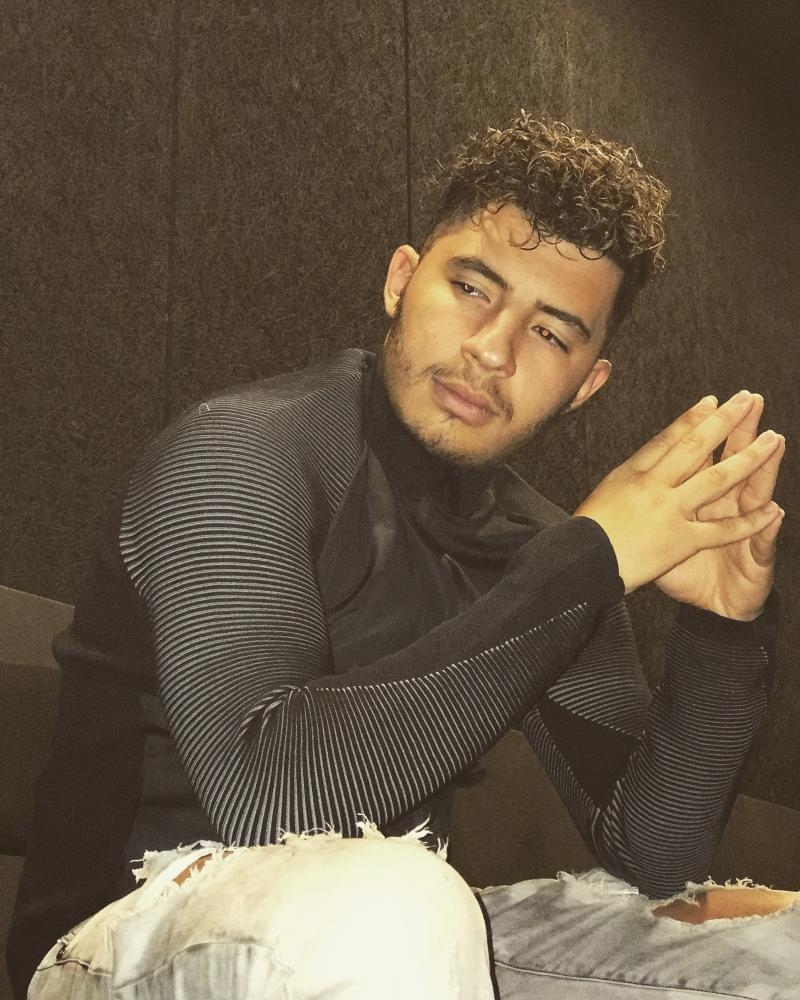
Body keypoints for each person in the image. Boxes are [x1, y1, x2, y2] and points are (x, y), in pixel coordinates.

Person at [9, 115, 795, 1000]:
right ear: (400, 281)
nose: (491, 349)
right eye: (471, 288)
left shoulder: (548, 549)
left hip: (384, 933)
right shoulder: (241, 451)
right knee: (396, 897)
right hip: (117, 937)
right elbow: (267, 798)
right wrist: (587, 564)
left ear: (588, 384)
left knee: (775, 942)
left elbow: (653, 855)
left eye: (550, 334)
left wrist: (722, 635)